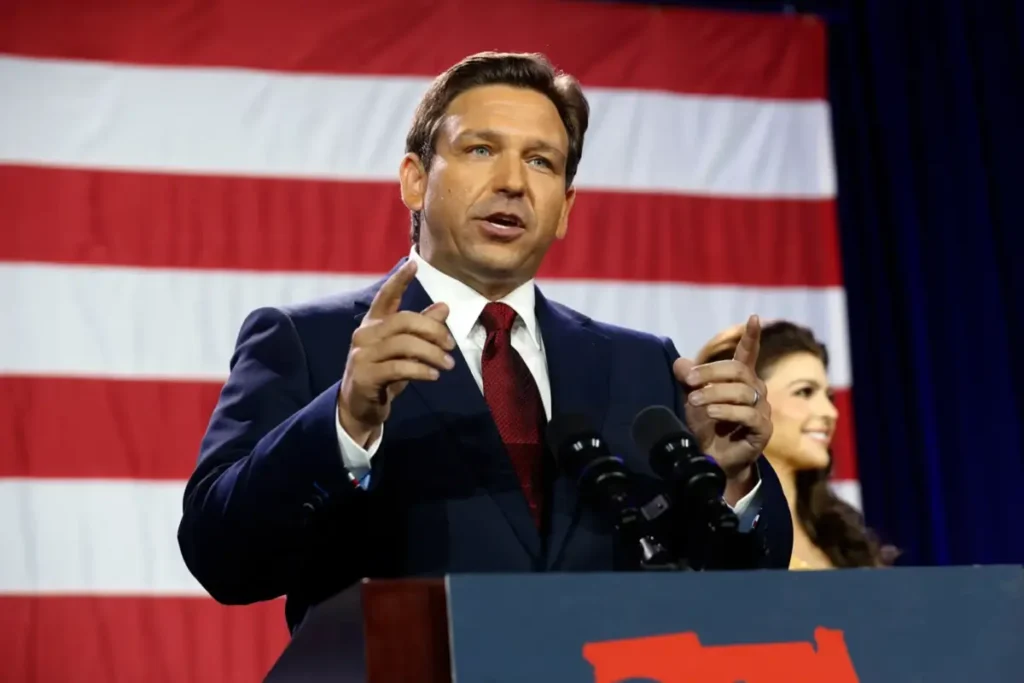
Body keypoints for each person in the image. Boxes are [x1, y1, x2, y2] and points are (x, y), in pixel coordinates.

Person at [177, 51, 793, 632]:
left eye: (541, 161)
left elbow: (732, 596)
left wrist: (730, 481)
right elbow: (222, 560)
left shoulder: (643, 364)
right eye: (480, 149)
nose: (512, 182)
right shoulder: (311, 343)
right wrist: (344, 420)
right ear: (414, 180)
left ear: (564, 209)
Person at [697, 321, 897, 569]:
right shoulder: (700, 534)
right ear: (739, 403)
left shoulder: (842, 535)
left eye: (828, 396)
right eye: (804, 392)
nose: (831, 413)